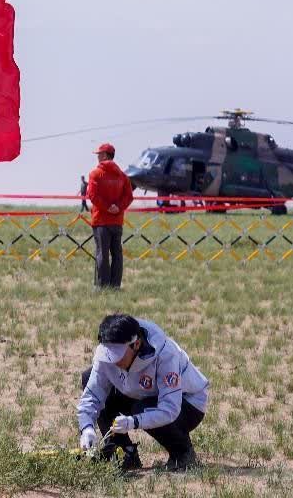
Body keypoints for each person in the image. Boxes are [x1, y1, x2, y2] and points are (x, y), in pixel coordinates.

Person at [77, 313, 209, 472]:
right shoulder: (106, 355)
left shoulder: (165, 354)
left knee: (141, 408)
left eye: (117, 355)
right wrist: (87, 428)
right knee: (88, 376)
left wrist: (134, 421)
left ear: (136, 344)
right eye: (107, 354)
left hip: (187, 404)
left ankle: (182, 453)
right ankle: (124, 453)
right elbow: (92, 396)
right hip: (139, 394)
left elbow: (170, 409)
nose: (112, 360)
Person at [86, 143, 133, 289]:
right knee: (117, 253)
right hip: (117, 221)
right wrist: (117, 207)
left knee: (102, 253)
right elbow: (129, 197)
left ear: (105, 155)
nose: (98, 157)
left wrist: (107, 207)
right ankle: (115, 285)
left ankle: (102, 286)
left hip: (101, 220)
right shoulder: (123, 176)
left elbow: (92, 196)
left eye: (99, 154)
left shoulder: (95, 174)